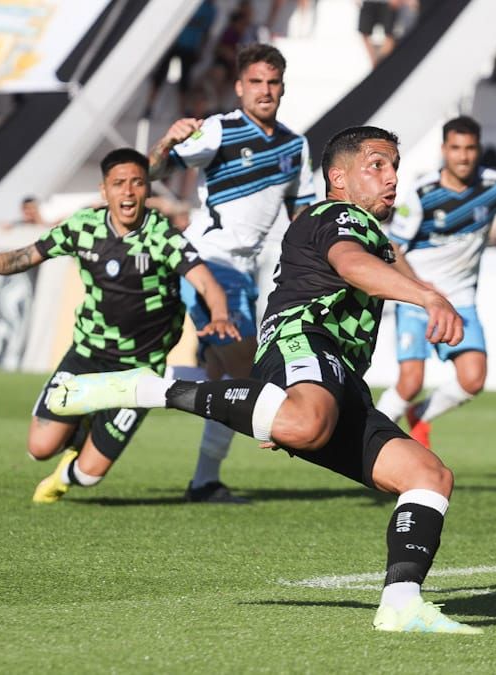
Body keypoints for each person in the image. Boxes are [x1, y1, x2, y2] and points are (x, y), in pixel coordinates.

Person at [47, 127, 483, 634]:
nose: (391, 178)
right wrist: (427, 296)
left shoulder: (370, 232)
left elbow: (369, 263)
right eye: (377, 166)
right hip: (302, 339)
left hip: (338, 378)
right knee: (306, 422)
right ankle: (145, 388)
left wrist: (280, 410)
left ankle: (402, 603)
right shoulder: (336, 215)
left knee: (429, 477)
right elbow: (351, 265)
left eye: (394, 167)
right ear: (338, 178)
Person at [0, 148, 238, 503]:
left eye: (137, 183)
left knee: (88, 476)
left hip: (138, 370)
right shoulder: (82, 228)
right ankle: (80, 428)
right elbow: (23, 256)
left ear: (148, 190)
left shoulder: (162, 237)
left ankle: (65, 473)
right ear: (104, 191)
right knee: (39, 447)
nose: (127, 192)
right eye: (118, 184)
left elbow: (205, 281)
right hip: (87, 355)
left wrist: (219, 314)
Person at [148, 43, 317, 503]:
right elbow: (153, 171)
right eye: (256, 82)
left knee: (229, 380)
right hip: (207, 261)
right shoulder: (219, 131)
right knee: (247, 370)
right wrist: (167, 140)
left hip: (244, 272)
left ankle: (204, 480)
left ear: (283, 87)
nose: (265, 90)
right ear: (240, 87)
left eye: (273, 82)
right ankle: (269, 426)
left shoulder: (294, 146)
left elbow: (301, 216)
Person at [374, 116, 496, 448]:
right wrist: (422, 289)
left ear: (478, 149)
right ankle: (368, 441)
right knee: (410, 382)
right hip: (416, 299)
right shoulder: (423, 193)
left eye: (469, 149)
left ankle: (420, 415)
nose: (463, 156)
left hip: (460, 299)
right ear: (443, 151)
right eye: (455, 149)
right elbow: (393, 248)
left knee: (473, 379)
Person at [358, 0, 398, 67]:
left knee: (390, 34)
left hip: (387, 3)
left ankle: (383, 62)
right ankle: (375, 63)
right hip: (368, 2)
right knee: (364, 32)